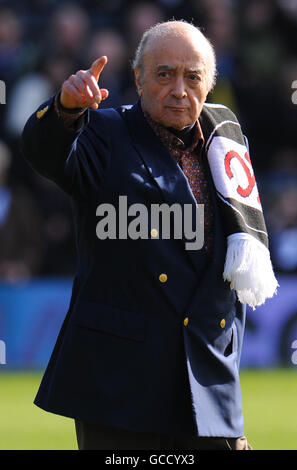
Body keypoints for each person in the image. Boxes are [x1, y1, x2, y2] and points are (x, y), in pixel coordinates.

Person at [21, 20, 278, 450]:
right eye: (164, 74)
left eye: (193, 76)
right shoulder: (103, 131)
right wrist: (65, 108)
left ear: (208, 84)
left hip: (208, 384)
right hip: (118, 389)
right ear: (138, 79)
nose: (179, 89)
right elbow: (44, 151)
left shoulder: (228, 146)